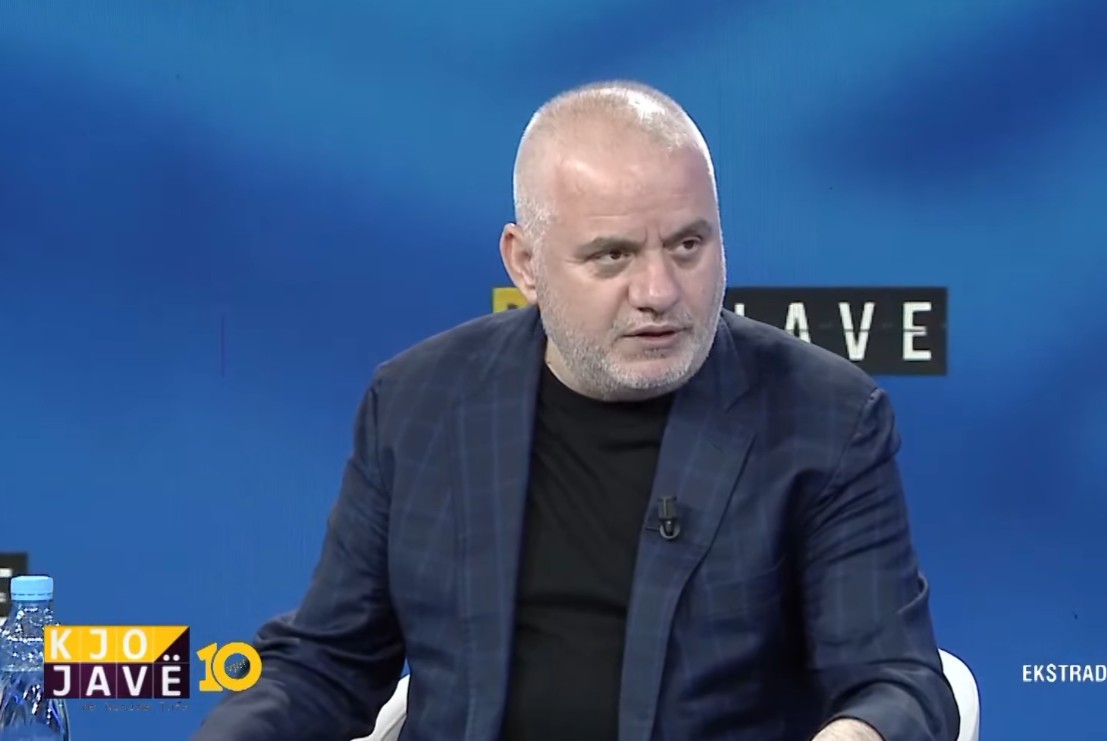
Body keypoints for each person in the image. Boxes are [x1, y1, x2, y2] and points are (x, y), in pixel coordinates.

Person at [191, 80, 959, 741]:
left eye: (687, 246)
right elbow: (327, 660)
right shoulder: (420, 402)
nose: (658, 291)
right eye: (612, 255)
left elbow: (897, 679)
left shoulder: (821, 417)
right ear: (524, 263)